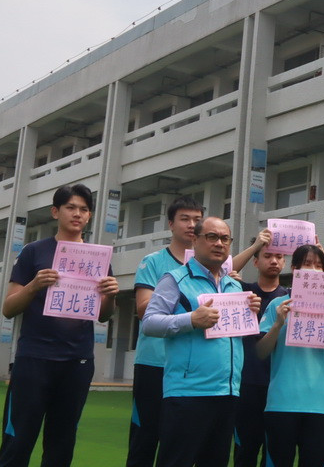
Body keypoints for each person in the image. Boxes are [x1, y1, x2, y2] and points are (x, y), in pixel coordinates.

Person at [0, 184, 119, 467]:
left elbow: (103, 315)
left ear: (90, 216)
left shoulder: (97, 258)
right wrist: (34, 285)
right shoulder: (33, 252)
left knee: (62, 442)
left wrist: (110, 295)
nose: (78, 214)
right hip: (35, 359)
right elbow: (8, 308)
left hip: (77, 361)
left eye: (84, 209)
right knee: (18, 439)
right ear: (55, 212)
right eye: (71, 208)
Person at [142, 217, 261, 467]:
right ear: (195, 240)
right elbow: (150, 323)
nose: (219, 243)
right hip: (188, 393)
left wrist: (249, 312)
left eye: (224, 239)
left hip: (227, 393)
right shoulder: (174, 279)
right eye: (211, 237)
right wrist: (191, 320)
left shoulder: (233, 285)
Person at [257, 244, 324, 467]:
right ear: (295, 268)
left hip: (320, 404)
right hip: (282, 402)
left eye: (319, 266)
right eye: (308, 264)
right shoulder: (277, 305)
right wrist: (279, 323)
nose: (314, 270)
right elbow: (261, 351)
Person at [126, 196, 204, 467]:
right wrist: (183, 289)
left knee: (181, 444)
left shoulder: (211, 268)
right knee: (144, 439)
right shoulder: (153, 262)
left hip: (191, 368)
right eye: (185, 218)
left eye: (197, 219)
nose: (191, 225)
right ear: (171, 224)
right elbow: (144, 309)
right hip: (154, 364)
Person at [234, 243, 290, 467]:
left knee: (274, 453)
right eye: (267, 256)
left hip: (279, 387)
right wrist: (255, 244)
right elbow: (223, 268)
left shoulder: (290, 298)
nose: (274, 261)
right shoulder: (241, 292)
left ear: (285, 262)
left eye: (279, 256)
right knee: (244, 451)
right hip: (247, 383)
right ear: (255, 261)